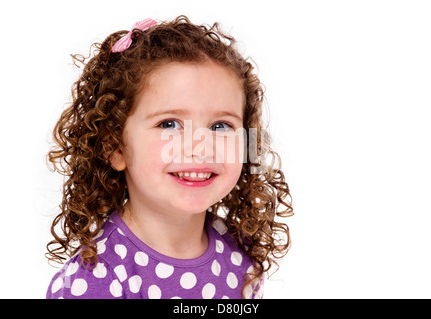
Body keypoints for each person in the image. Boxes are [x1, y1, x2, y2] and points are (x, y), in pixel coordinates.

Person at [46, 15, 293, 299]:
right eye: (169, 124)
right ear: (116, 147)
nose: (201, 147)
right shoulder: (96, 279)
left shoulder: (240, 255)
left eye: (220, 126)